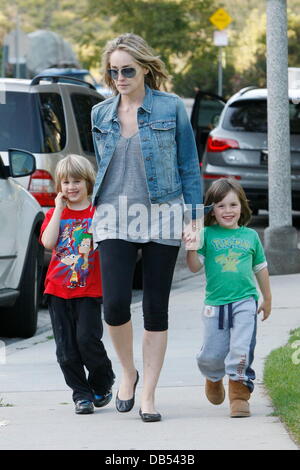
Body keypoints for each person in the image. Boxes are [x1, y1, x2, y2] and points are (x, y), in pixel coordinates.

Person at [91, 33, 202, 422]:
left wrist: (195, 222)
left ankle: (149, 395)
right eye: (114, 71)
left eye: (127, 70)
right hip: (113, 216)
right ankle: (128, 372)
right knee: (115, 304)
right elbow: (102, 169)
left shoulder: (170, 108)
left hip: (162, 214)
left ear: (145, 69)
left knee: (156, 308)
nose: (120, 76)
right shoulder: (100, 113)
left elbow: (189, 166)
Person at [186, 178, 272, 418]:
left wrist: (267, 298)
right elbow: (194, 267)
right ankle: (213, 377)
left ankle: (239, 395)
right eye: (221, 205)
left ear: (242, 207)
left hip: (246, 302)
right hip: (215, 305)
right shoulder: (207, 234)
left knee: (241, 349)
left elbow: (261, 269)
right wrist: (191, 246)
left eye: (233, 205)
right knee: (212, 354)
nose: (227, 211)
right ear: (211, 209)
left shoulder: (250, 237)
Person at [40, 154, 115, 415]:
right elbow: (48, 244)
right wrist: (59, 209)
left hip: (89, 291)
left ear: (88, 183)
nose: (71, 187)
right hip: (58, 291)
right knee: (66, 350)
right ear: (60, 186)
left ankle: (103, 381)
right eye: (66, 182)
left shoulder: (97, 213)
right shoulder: (54, 214)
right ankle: (81, 395)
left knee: (87, 341)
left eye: (77, 181)